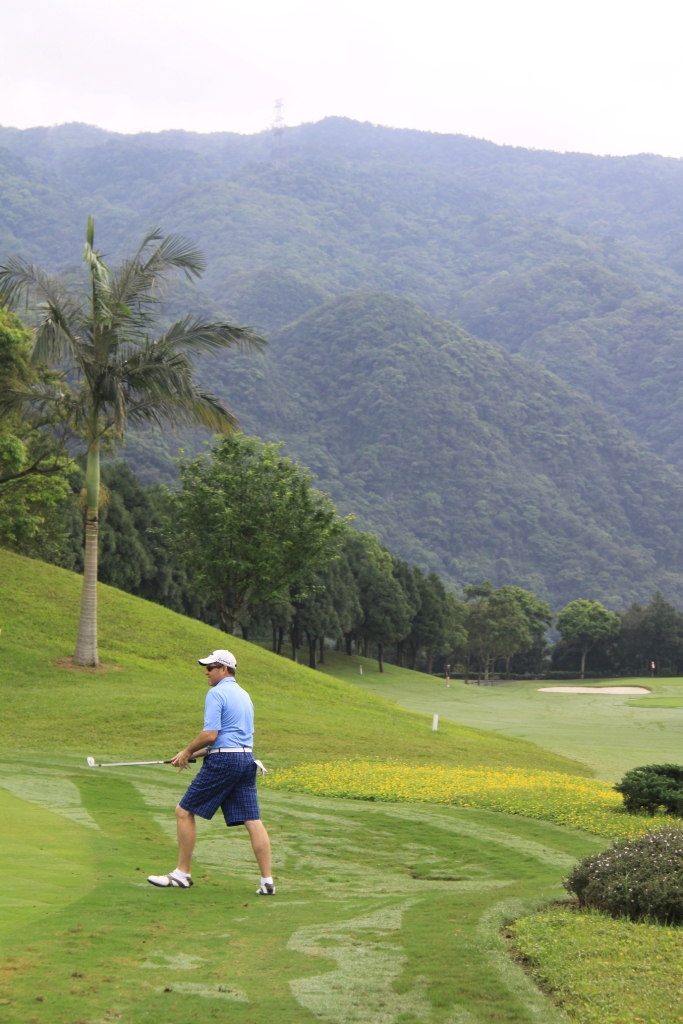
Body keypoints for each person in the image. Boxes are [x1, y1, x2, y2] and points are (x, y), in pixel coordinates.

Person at [147, 649, 275, 895]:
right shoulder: (244, 695)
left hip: (225, 761)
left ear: (224, 669)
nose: (206, 672)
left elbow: (210, 735)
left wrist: (187, 750)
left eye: (210, 668)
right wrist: (189, 755)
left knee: (184, 811)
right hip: (246, 761)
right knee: (252, 819)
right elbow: (228, 741)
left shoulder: (216, 693)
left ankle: (182, 874)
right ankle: (267, 882)